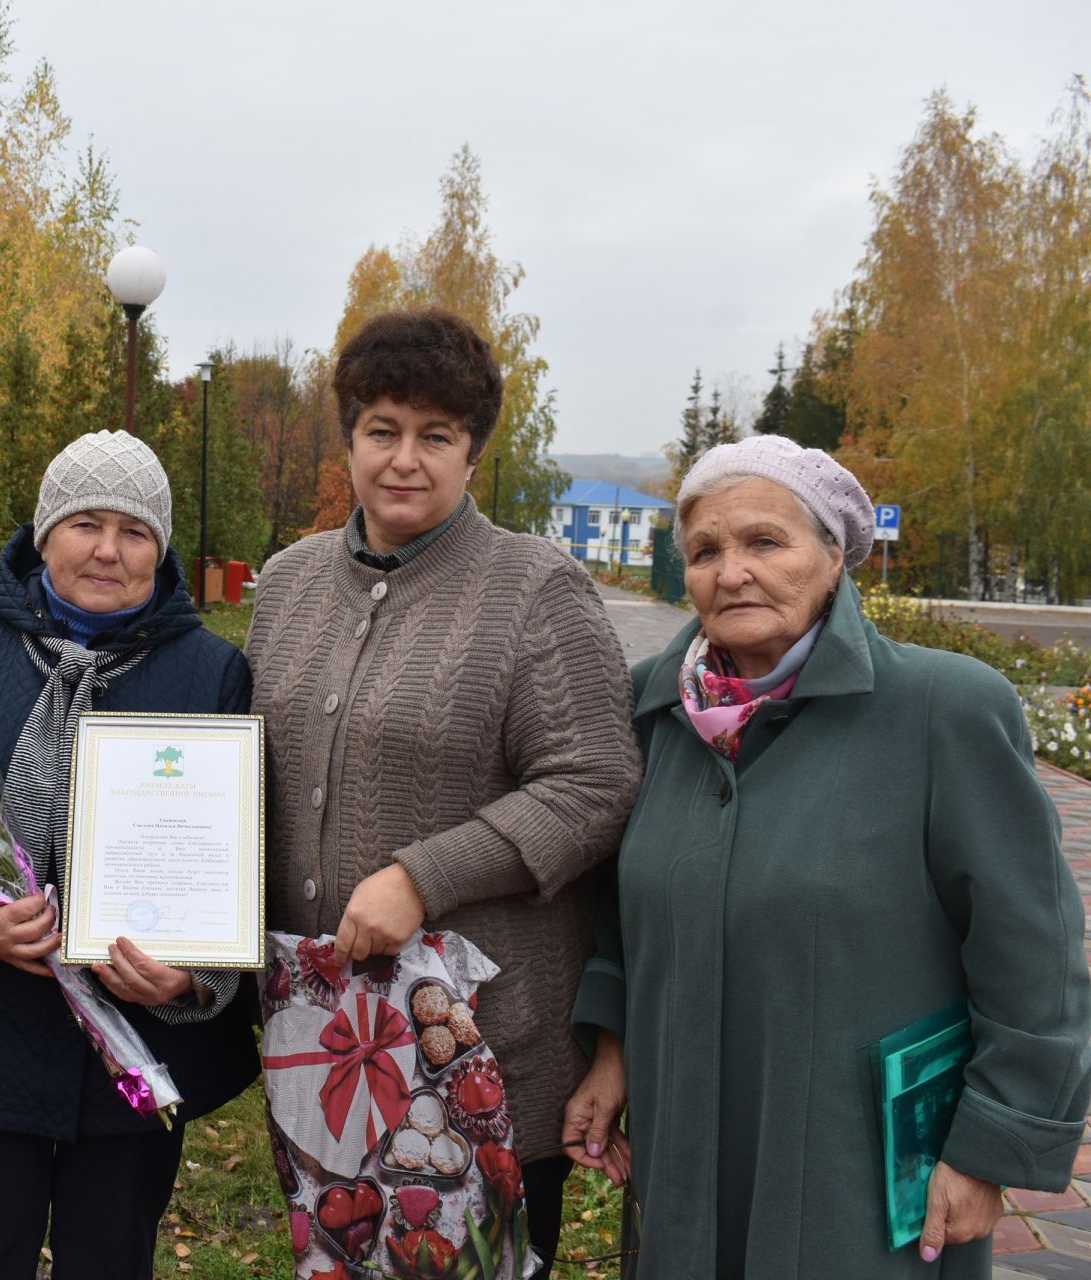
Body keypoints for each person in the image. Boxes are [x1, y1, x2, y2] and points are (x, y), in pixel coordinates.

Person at [563, 435, 1091, 1277]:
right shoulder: (651, 712)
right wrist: (613, 1050)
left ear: (834, 555)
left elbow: (1035, 953)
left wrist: (994, 1148)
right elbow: (622, 916)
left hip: (861, 1174)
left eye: (765, 542)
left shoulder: (941, 709)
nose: (731, 571)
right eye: (705, 550)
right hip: (685, 1147)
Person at [244, 307, 642, 1276]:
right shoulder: (290, 582)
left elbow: (595, 781)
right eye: (383, 429)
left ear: (474, 450)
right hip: (327, 1044)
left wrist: (423, 875)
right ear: (349, 439)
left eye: (437, 435)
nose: (405, 458)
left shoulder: (535, 589)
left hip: (481, 1055)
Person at [0, 430, 260, 1280]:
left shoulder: (213, 674)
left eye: (135, 531)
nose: (108, 549)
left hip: (133, 1057)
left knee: (110, 1262)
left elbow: (245, 855)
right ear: (44, 534)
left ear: (161, 549)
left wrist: (192, 978)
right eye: (85, 523)